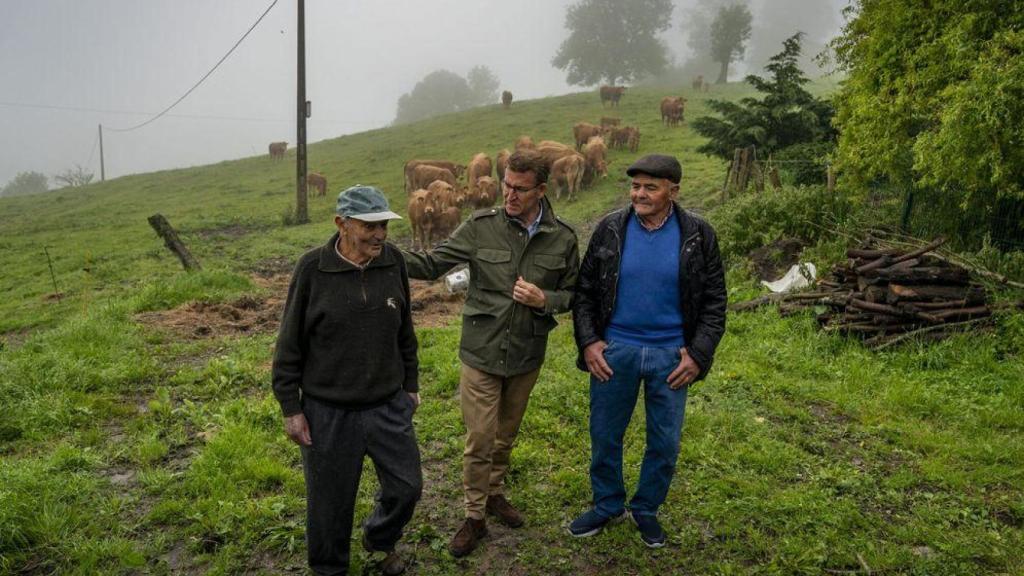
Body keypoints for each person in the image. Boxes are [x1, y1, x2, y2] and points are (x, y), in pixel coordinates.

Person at [402, 149, 579, 557]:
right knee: (480, 437)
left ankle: (495, 492)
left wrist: (544, 298)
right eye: (506, 186)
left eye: (519, 189)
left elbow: (573, 293)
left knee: (505, 436)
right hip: (481, 351)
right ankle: (475, 516)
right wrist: (380, 249)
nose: (509, 195)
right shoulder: (481, 226)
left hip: (525, 354)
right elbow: (432, 264)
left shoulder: (563, 237)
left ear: (541, 189)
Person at [569, 154, 727, 548]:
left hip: (671, 355)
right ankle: (607, 504)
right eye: (636, 186)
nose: (639, 193)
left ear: (673, 190)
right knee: (605, 434)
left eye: (650, 187)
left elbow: (714, 302)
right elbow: (584, 291)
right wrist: (590, 342)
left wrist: (698, 354)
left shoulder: (698, 234)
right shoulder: (610, 228)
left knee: (665, 441)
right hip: (615, 350)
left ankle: (646, 509)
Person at [272, 185, 422, 576]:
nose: (380, 235)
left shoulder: (393, 262)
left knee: (407, 488)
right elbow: (289, 344)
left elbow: (405, 329)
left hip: (387, 404)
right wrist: (292, 408)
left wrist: (411, 385)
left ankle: (378, 539)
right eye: (369, 226)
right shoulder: (312, 269)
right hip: (328, 411)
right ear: (341, 223)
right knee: (329, 505)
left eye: (384, 225)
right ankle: (328, 569)